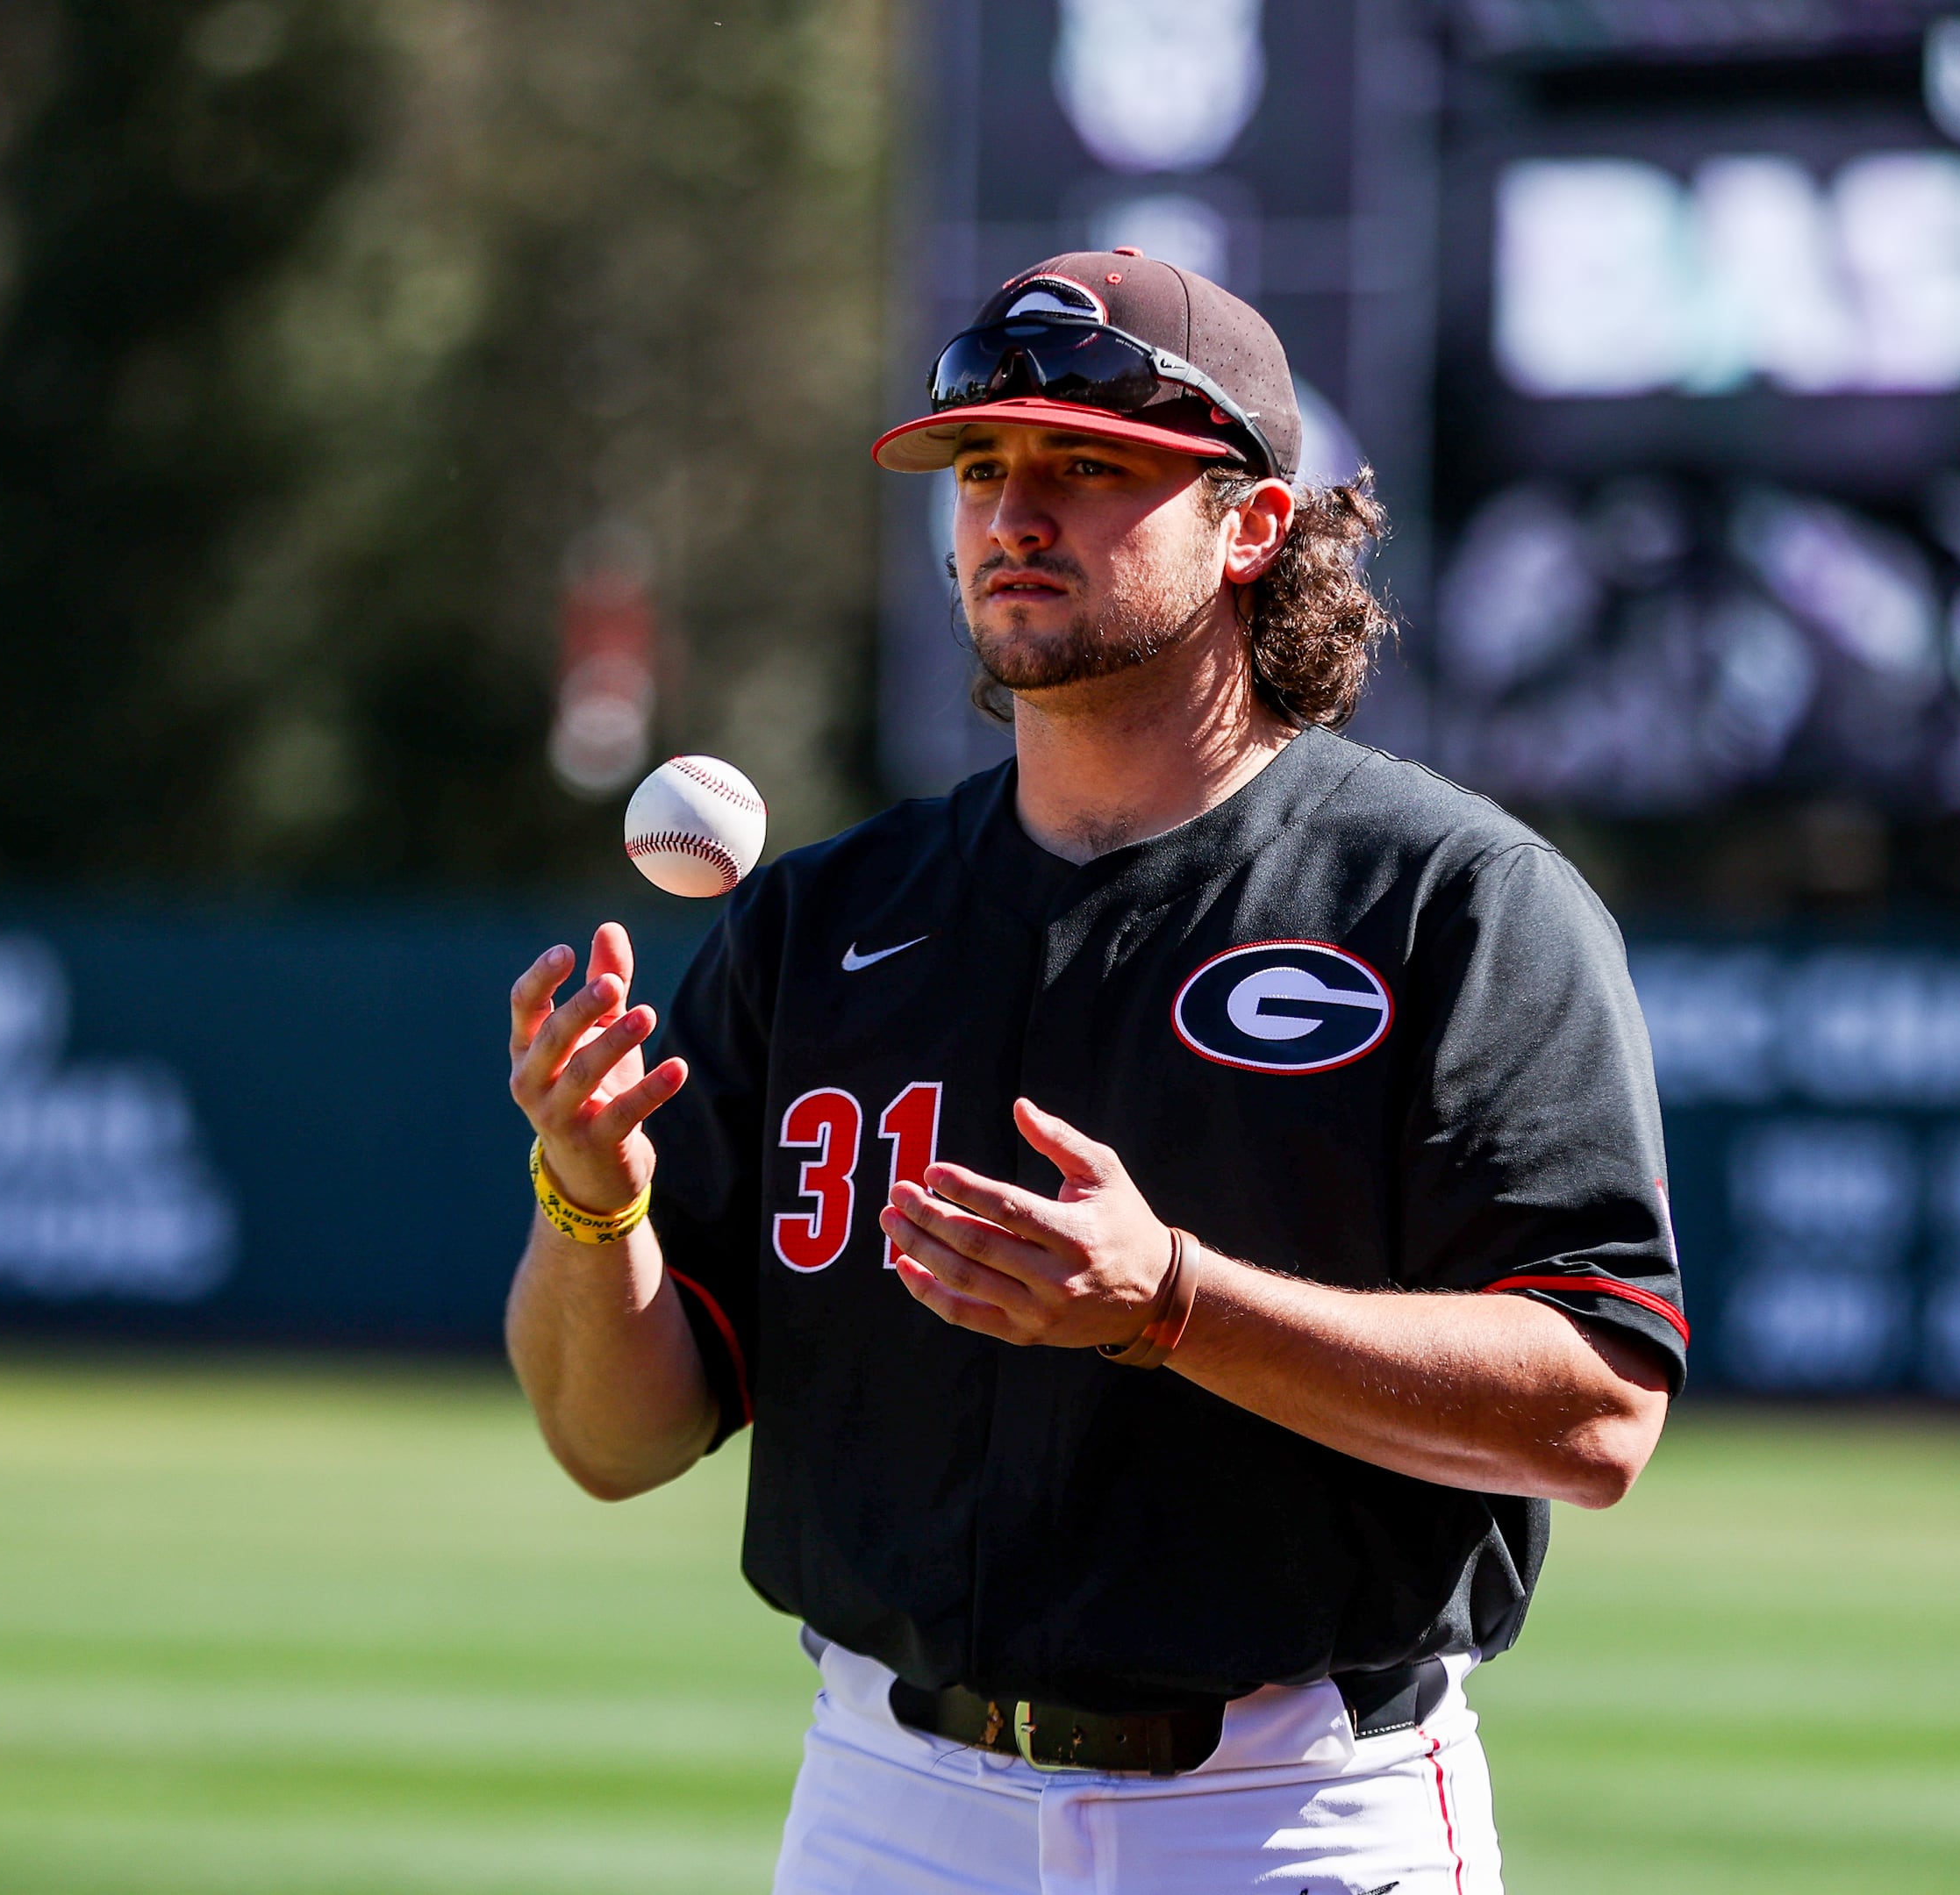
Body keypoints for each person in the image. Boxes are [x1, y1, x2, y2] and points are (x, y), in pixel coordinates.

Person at [503, 251, 1684, 1894]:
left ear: (1253, 524)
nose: (1012, 512)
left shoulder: (1451, 901)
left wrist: (1174, 1303)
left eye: (1090, 464)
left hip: (1287, 1817)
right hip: (881, 1803)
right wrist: (592, 1203)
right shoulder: (824, 920)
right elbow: (613, 1443)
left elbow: (1601, 1407)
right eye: (982, 467)